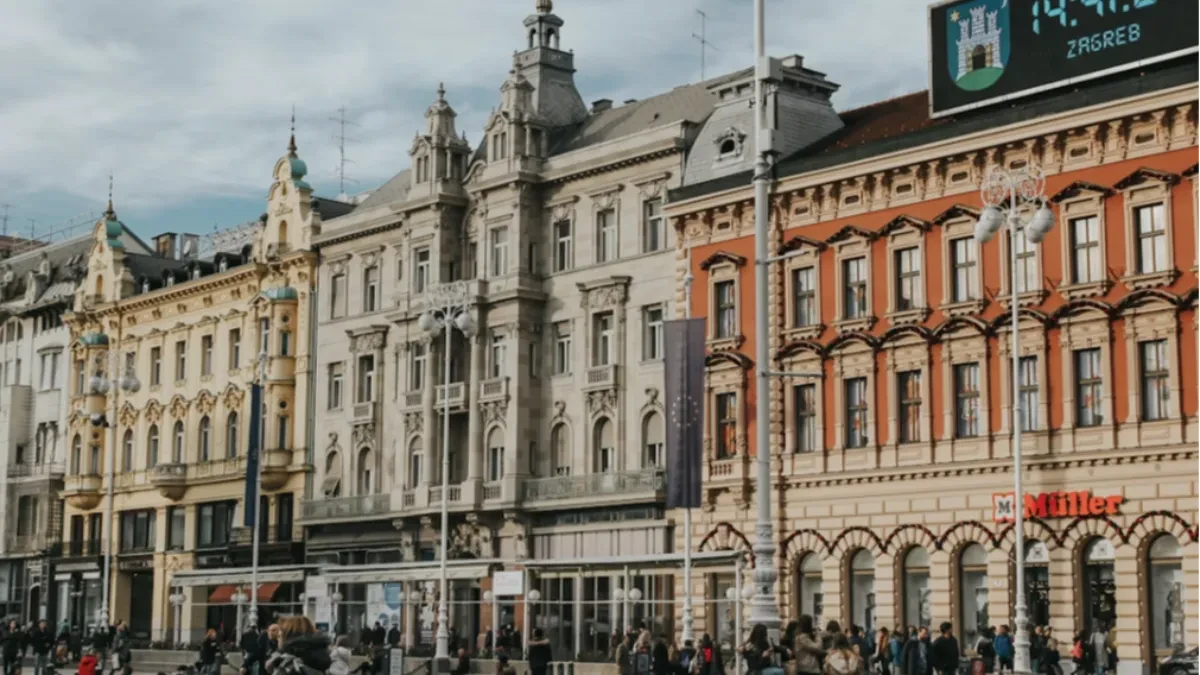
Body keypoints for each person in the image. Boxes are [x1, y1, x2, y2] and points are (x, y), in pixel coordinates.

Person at [265, 616, 331, 675]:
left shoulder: (289, 665)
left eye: (279, 636)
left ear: (288, 637)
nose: (278, 639)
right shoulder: (325, 658)